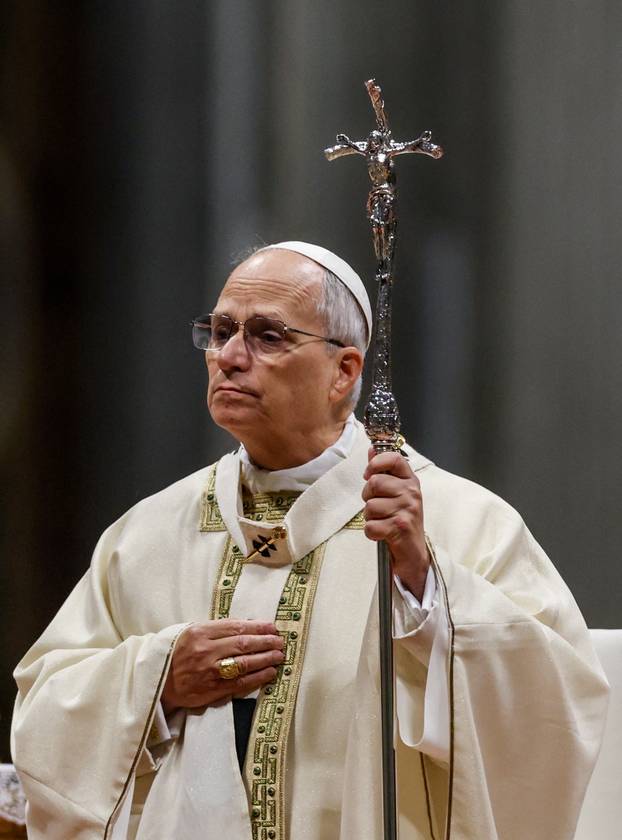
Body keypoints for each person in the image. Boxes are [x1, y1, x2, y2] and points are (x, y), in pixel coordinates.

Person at [11, 242, 608, 840]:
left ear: (344, 371)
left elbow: (555, 709)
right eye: (220, 332)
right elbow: (44, 711)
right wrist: (159, 680)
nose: (230, 357)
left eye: (268, 337)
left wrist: (424, 586)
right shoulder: (146, 535)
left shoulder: (459, 522)